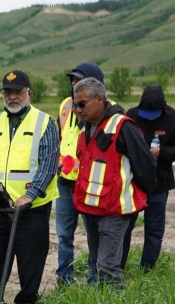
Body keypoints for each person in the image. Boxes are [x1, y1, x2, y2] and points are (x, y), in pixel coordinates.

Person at [0, 70, 59, 304]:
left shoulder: (45, 123)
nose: (12, 97)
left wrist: (30, 196)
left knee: (30, 262)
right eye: (8, 92)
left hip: (31, 209)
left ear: (29, 93)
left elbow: (49, 164)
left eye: (18, 92)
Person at [71, 78, 155, 287]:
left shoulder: (123, 126)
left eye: (82, 104)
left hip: (114, 211)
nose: (77, 109)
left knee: (107, 266)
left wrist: (140, 198)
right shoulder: (85, 129)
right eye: (75, 104)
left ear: (99, 99)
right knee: (96, 263)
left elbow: (145, 166)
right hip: (90, 209)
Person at [55, 62, 106, 286]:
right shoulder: (66, 106)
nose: (74, 84)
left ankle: (95, 279)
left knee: (94, 236)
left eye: (79, 80)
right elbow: (59, 136)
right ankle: (65, 278)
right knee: (64, 234)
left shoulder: (106, 111)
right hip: (66, 182)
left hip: (91, 183)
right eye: (72, 80)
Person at [121, 86, 175, 271]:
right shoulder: (131, 115)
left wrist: (162, 152)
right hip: (133, 184)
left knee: (154, 230)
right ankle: (117, 266)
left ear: (163, 109)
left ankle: (146, 268)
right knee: (124, 228)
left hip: (159, 185)